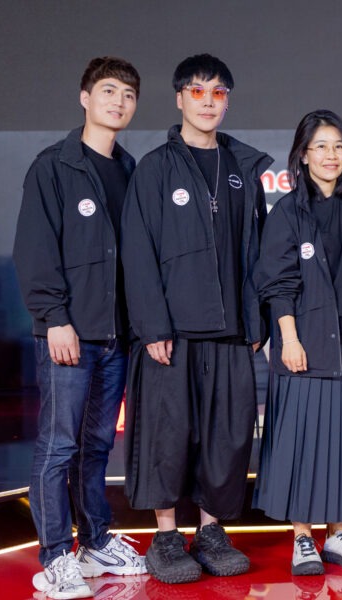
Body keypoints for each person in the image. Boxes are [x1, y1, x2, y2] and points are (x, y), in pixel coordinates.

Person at [120, 53, 273, 584]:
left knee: (227, 437)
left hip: (231, 334)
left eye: (218, 93)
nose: (208, 102)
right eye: (198, 91)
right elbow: (137, 252)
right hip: (173, 334)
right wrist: (152, 326)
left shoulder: (243, 169)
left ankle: (210, 532)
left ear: (228, 102)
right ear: (179, 98)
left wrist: (256, 321)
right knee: (166, 436)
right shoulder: (154, 168)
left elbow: (256, 255)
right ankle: (166, 538)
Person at [13, 56, 146, 599]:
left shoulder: (131, 170)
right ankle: (54, 557)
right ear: (85, 97)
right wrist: (55, 319)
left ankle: (93, 542)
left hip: (116, 336)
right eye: (109, 91)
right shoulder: (54, 166)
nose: (119, 102)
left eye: (129, 95)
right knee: (58, 446)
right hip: (68, 334)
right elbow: (35, 250)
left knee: (96, 445)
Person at [253, 109, 342, 576]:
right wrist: (288, 339)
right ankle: (303, 539)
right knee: (302, 444)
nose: (331, 155)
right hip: (307, 346)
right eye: (321, 147)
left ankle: (340, 536)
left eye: (339, 146)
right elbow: (278, 284)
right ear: (303, 155)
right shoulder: (288, 212)